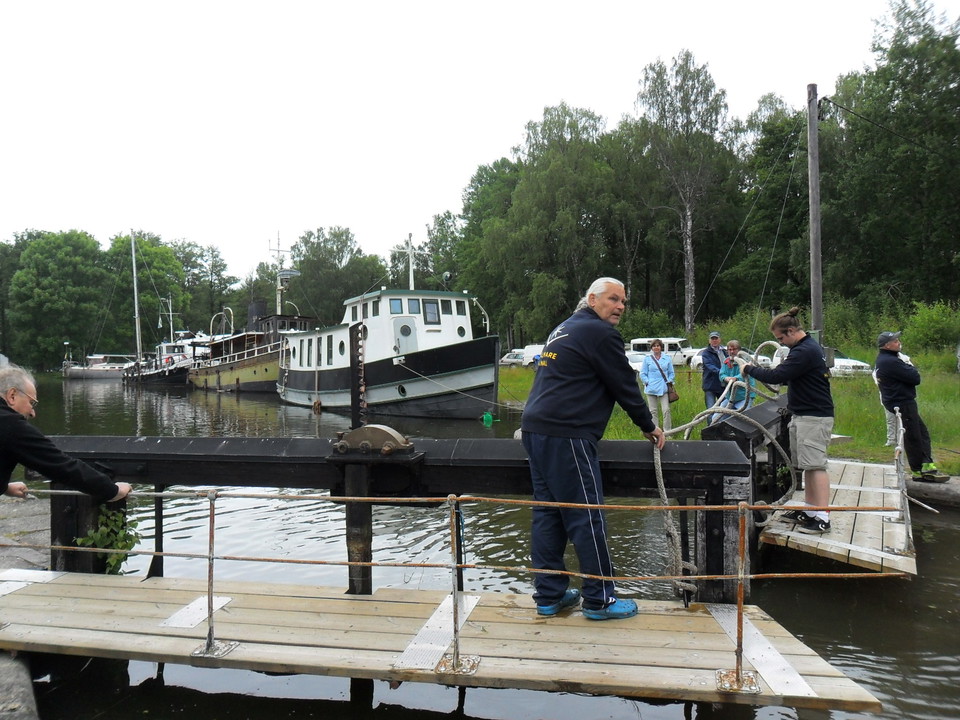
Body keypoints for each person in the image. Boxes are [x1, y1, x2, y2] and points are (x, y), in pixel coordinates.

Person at [521, 277, 666, 621]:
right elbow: (624, 385)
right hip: (567, 434)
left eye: (623, 301)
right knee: (587, 514)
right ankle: (600, 599)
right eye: (613, 299)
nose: (620, 306)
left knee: (548, 512)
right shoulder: (600, 333)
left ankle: (549, 595)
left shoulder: (565, 328)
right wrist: (648, 425)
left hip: (535, 429)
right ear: (592, 299)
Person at [741, 308, 834, 534]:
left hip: (814, 416)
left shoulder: (804, 351)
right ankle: (811, 510)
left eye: (781, 338)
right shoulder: (806, 348)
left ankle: (822, 517)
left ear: (791, 331)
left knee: (816, 465)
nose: (780, 342)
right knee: (807, 466)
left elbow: (777, 376)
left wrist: (748, 368)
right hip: (804, 414)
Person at [0, 365, 132, 502]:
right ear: (12, 395)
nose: (33, 413)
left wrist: (3, 487)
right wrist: (112, 491)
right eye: (31, 402)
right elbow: (60, 465)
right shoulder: (10, 424)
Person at [874, 332, 948, 482]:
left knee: (921, 433)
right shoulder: (891, 361)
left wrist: (908, 370)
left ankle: (926, 465)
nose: (899, 342)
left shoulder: (889, 359)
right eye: (895, 341)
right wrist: (910, 368)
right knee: (914, 436)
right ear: (887, 345)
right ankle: (919, 471)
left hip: (902, 401)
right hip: (901, 402)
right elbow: (915, 377)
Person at [712, 340, 756, 424]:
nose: (732, 352)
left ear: (739, 350)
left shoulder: (745, 361)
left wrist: (735, 378)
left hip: (743, 396)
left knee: (744, 419)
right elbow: (721, 374)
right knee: (716, 418)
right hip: (730, 397)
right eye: (729, 349)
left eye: (734, 349)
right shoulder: (726, 361)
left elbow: (745, 375)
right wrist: (726, 378)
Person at [639, 339, 674, 431]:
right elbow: (642, 373)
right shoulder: (647, 359)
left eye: (658, 346)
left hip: (663, 388)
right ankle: (655, 431)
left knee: (666, 410)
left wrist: (669, 381)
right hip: (651, 388)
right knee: (653, 411)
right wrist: (647, 382)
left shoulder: (667, 358)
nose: (656, 347)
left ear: (661, 347)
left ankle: (667, 431)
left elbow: (671, 373)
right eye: (654, 346)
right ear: (652, 348)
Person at [698, 331, 727, 424]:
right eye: (712, 339)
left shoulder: (724, 352)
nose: (714, 340)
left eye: (716, 338)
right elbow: (710, 366)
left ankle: (722, 430)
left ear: (720, 340)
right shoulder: (706, 353)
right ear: (709, 340)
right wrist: (723, 374)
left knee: (725, 410)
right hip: (710, 386)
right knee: (711, 411)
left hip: (723, 386)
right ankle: (710, 432)